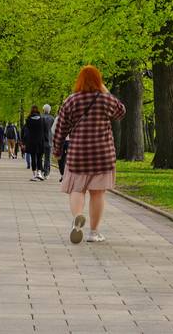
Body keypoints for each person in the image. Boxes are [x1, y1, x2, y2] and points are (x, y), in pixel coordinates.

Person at [52, 65, 125, 243]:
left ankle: (77, 217)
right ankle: (94, 232)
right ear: (99, 81)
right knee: (97, 194)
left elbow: (60, 129)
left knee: (77, 190)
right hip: (102, 155)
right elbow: (121, 111)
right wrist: (105, 91)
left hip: (78, 154)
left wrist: (57, 151)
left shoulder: (71, 101)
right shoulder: (105, 100)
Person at [23, 105, 47, 180]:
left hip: (31, 141)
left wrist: (24, 141)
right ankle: (39, 173)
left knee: (33, 157)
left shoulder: (28, 120)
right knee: (40, 157)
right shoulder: (42, 119)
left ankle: (34, 175)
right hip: (40, 141)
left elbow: (26, 131)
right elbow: (45, 130)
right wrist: (46, 139)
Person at [40, 104, 56, 178]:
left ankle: (41, 171)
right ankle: (46, 173)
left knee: (39, 157)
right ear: (49, 110)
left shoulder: (40, 118)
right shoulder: (53, 119)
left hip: (41, 140)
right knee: (48, 158)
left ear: (43, 110)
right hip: (49, 140)